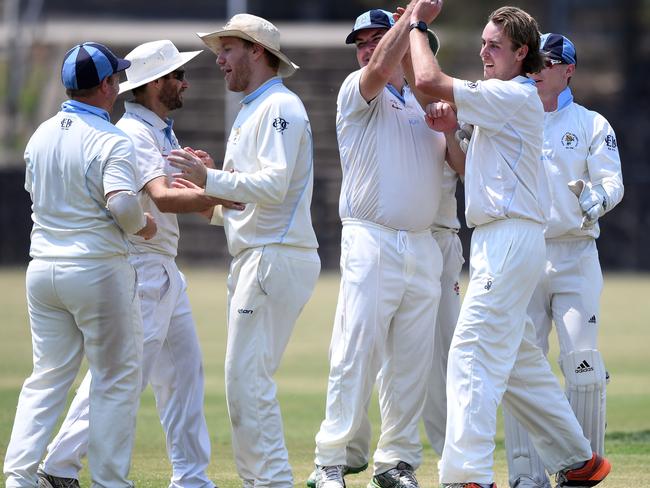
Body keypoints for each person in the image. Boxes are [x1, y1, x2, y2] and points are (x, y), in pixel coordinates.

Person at [407, 1, 612, 487]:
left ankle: (467, 475)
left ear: (522, 52)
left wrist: (415, 27)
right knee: (518, 360)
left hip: (510, 239)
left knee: (470, 352)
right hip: (502, 239)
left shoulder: (515, 96)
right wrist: (449, 133)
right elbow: (467, 170)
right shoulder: (503, 99)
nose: (483, 52)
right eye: (482, 43)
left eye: (494, 45)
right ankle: (579, 459)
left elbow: (429, 82)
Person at [35, 40, 238, 488]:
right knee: (122, 376)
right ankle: (58, 466)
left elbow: (189, 201)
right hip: (141, 268)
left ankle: (191, 478)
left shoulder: (162, 130)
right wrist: (231, 192)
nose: (185, 83)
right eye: (176, 76)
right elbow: (164, 199)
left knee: (184, 376)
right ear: (151, 85)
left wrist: (219, 196)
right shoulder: (135, 132)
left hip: (164, 268)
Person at [307, 6, 465, 488]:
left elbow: (462, 168)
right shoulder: (357, 93)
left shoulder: (423, 105)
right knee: (356, 352)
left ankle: (396, 462)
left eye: (378, 37)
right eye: (361, 41)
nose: (368, 48)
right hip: (371, 237)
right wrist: (415, 17)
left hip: (422, 245)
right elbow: (377, 70)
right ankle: (329, 460)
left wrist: (448, 127)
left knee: (411, 364)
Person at [167, 14, 321, 488]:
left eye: (228, 48)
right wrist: (208, 198)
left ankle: (272, 482)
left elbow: (272, 187)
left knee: (247, 383)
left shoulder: (280, 107)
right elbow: (243, 201)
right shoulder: (254, 110)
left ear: (257, 50)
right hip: (259, 253)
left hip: (275, 255)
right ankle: (263, 481)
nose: (219, 59)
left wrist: (208, 180)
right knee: (242, 384)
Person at [3, 42, 156, 488]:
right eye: (117, 78)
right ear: (107, 85)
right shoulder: (112, 138)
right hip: (96, 269)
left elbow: (35, 194)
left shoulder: (40, 134)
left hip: (43, 269)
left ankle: (19, 477)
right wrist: (142, 226)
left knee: (47, 377)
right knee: (116, 376)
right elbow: (122, 203)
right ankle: (110, 481)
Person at [502, 33, 623, 488]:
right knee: (521, 362)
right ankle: (526, 476)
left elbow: (613, 181)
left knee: (583, 362)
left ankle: (581, 473)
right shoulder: (513, 115)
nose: (537, 68)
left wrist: (597, 198)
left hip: (574, 253)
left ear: (568, 69)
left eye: (547, 62)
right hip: (525, 249)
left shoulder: (592, 124)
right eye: (532, 61)